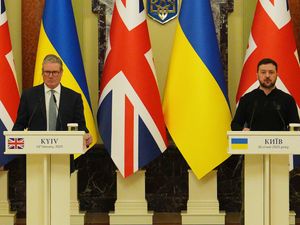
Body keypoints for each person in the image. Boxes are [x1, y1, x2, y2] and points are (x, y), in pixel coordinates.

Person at [13, 54, 92, 147]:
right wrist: (14, 140)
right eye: (47, 72)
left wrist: (86, 136)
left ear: (61, 73)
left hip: (64, 152)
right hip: (35, 153)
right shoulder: (29, 95)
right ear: (42, 73)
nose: (50, 76)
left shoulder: (73, 98)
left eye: (54, 72)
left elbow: (80, 126)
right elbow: (19, 124)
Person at [231, 58, 300, 131]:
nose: (267, 76)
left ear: (277, 75)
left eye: (271, 72)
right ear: (257, 75)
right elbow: (235, 124)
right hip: (253, 141)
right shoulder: (247, 99)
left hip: (280, 141)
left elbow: (296, 127)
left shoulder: (288, 100)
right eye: (263, 72)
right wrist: (242, 130)